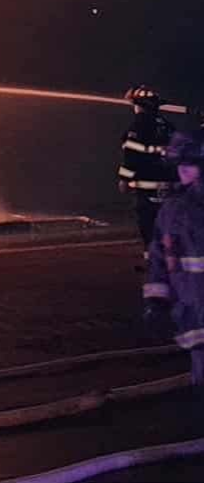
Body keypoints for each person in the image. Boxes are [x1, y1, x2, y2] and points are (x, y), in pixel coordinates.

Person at [144, 132, 204, 385]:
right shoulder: (172, 210)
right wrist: (156, 300)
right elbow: (159, 258)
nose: (182, 170)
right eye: (179, 164)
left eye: (190, 163)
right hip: (192, 312)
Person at [120, 86, 189, 254]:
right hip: (171, 185)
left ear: (139, 105)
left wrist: (124, 179)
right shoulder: (168, 126)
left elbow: (131, 155)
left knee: (149, 228)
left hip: (147, 186)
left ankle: (154, 262)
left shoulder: (138, 126)